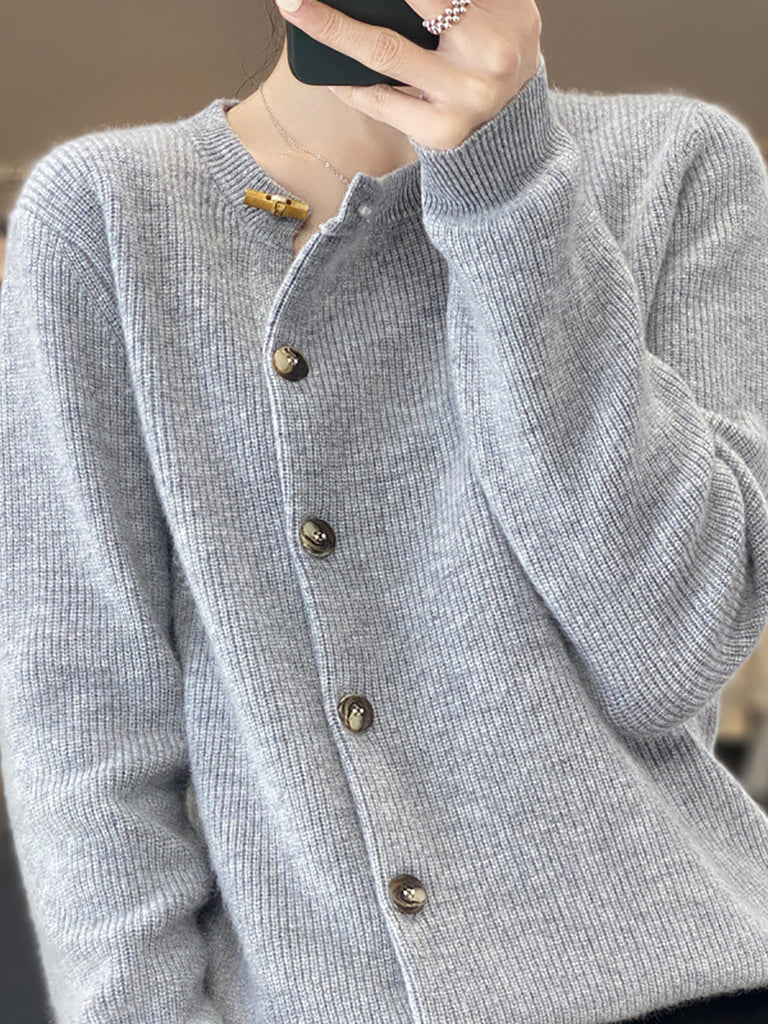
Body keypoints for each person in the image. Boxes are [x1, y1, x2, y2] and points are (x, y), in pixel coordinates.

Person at [1, 0, 768, 1021]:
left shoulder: (677, 165)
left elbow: (668, 654)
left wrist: (508, 183)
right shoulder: (105, 215)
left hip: (688, 979)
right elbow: (83, 717)